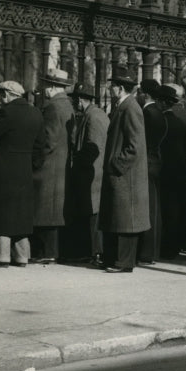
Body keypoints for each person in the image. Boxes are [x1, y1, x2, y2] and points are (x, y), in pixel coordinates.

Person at [0, 79, 44, 268]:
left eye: (0, 95)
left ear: (7, 94)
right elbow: (40, 146)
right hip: (24, 168)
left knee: (2, 210)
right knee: (21, 212)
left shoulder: (6, 112)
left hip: (5, 167)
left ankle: (0, 255)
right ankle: (21, 255)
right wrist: (32, 165)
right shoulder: (36, 113)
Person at [99, 66, 149, 273]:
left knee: (124, 219)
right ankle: (114, 259)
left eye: (112, 86)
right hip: (121, 175)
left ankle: (123, 262)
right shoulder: (125, 106)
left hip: (125, 176)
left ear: (119, 88)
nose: (110, 89)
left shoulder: (130, 108)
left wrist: (116, 164)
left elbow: (135, 146)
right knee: (117, 218)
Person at [31, 67, 74, 264]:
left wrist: (35, 160)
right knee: (54, 209)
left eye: (46, 84)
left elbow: (48, 139)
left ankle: (46, 252)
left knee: (45, 209)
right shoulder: (67, 105)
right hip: (61, 163)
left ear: (51, 87)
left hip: (49, 165)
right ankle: (50, 251)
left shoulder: (52, 107)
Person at [66, 83, 109, 265]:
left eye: (76, 99)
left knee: (93, 214)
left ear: (81, 100)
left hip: (92, 175)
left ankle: (96, 253)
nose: (74, 103)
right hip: (91, 173)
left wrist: (78, 161)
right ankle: (92, 252)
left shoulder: (94, 116)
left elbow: (94, 148)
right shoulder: (92, 114)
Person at [159, 82, 186, 259]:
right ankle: (177, 244)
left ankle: (165, 246)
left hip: (165, 169)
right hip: (182, 168)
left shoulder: (164, 117)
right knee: (178, 208)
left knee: (166, 209)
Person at [137, 78, 167, 265]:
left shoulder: (147, 113)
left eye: (139, 92)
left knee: (146, 210)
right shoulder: (159, 113)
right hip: (155, 162)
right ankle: (152, 252)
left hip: (145, 163)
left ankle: (146, 253)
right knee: (154, 209)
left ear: (145, 94)